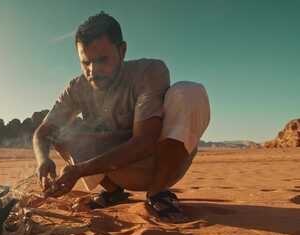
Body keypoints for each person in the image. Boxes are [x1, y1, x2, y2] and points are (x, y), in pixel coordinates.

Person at [32, 12, 210, 222]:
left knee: (189, 93)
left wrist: (79, 170)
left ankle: (158, 194)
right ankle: (113, 192)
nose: (93, 70)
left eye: (102, 60)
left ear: (122, 50)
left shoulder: (149, 71)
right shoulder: (77, 88)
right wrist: (43, 160)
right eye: (85, 62)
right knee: (62, 133)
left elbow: (144, 141)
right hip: (112, 168)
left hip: (158, 162)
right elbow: (43, 133)